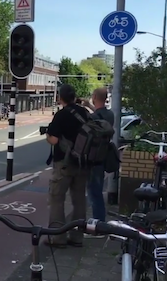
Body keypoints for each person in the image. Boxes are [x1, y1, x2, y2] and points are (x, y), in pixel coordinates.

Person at [44, 84, 91, 248]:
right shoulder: (85, 113)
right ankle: (77, 237)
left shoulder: (62, 115)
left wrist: (47, 137)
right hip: (83, 164)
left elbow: (54, 140)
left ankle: (57, 238)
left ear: (60, 97)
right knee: (79, 200)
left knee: (57, 199)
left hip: (64, 164)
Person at [80, 88, 115, 236]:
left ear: (94, 97)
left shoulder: (93, 118)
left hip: (93, 159)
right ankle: (100, 223)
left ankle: (98, 227)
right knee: (98, 191)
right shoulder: (109, 115)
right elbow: (99, 113)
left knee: (95, 194)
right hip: (103, 158)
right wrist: (89, 105)